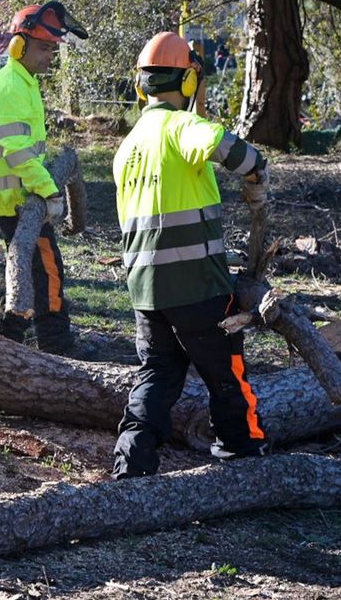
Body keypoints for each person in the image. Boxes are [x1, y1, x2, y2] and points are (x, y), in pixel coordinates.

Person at [111, 31, 271, 479]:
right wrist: (258, 172)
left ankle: (133, 459)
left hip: (145, 288)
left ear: (142, 85)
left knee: (158, 371)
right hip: (197, 284)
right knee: (224, 370)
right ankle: (240, 451)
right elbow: (238, 154)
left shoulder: (128, 147)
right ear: (186, 82)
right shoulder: (180, 126)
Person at [0, 1, 98, 360]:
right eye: (45, 48)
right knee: (47, 271)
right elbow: (16, 151)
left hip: (22, 197)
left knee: (34, 271)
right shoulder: (10, 88)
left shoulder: (23, 82)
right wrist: (49, 190)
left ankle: (10, 341)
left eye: (52, 49)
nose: (50, 56)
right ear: (19, 45)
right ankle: (55, 346)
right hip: (18, 201)